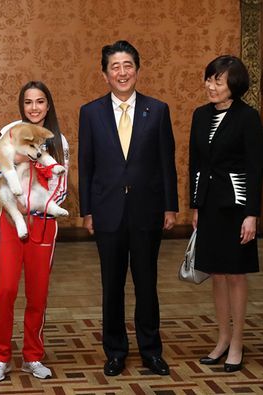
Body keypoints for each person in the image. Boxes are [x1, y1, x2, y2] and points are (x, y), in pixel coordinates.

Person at [78, 40, 178, 377]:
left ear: (137, 69)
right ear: (104, 74)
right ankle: (115, 350)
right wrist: (87, 210)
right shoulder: (90, 112)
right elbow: (86, 164)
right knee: (112, 285)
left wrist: (170, 206)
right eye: (114, 67)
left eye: (127, 65)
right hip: (107, 212)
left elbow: (167, 163)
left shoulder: (158, 109)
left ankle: (151, 350)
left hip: (147, 210)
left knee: (147, 283)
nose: (122, 72)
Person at [0, 81, 69, 382]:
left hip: (44, 223)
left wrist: (39, 206)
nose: (34, 107)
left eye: (40, 101)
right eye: (29, 102)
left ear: (48, 105)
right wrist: (18, 158)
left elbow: (61, 189)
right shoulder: (10, 132)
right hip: (11, 222)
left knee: (38, 295)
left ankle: (33, 356)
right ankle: (1, 357)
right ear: (23, 106)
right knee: (4, 291)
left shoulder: (59, 141)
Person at [189, 55, 263, 373]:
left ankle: (237, 341)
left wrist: (252, 214)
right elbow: (195, 161)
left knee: (235, 274)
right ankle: (221, 339)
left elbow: (255, 167)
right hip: (208, 207)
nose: (211, 85)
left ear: (234, 85)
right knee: (215, 275)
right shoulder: (200, 115)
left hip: (236, 207)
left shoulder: (248, 118)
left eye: (218, 81)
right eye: (209, 79)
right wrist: (195, 204)